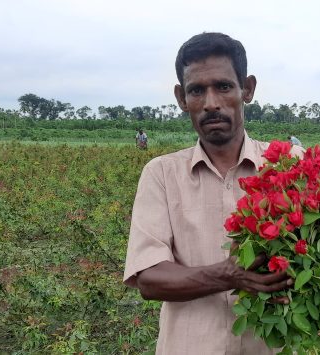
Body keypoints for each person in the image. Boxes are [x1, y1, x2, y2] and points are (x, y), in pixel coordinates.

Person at [123, 32, 303, 355]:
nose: (210, 104)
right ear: (181, 98)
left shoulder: (287, 165)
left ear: (246, 89)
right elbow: (149, 278)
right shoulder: (161, 175)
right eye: (196, 90)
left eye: (223, 86)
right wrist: (228, 275)